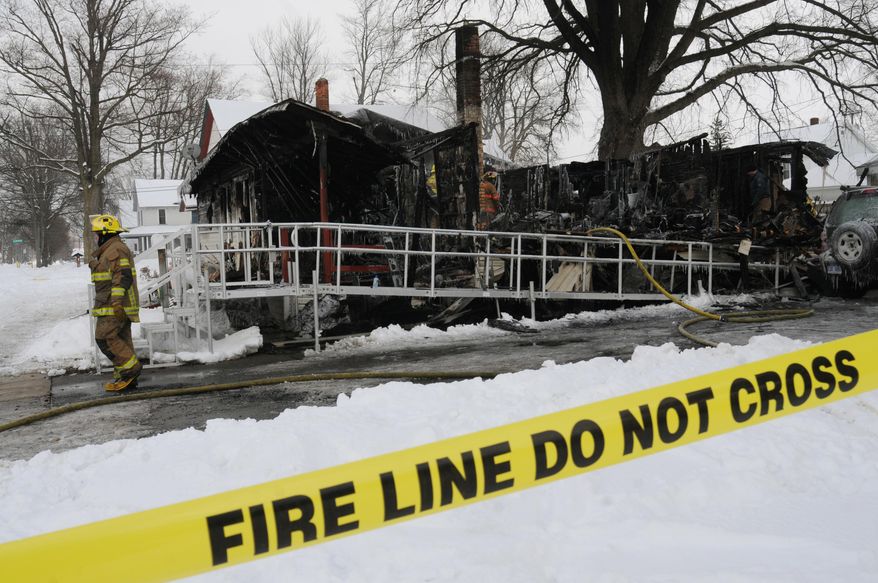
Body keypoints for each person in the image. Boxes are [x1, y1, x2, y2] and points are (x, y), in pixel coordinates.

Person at [88, 214, 142, 392]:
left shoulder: (115, 250)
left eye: (97, 234)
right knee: (122, 340)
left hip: (115, 305)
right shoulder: (111, 249)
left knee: (104, 337)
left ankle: (130, 370)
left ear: (105, 234)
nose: (96, 238)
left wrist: (117, 303)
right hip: (112, 304)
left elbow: (122, 277)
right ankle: (126, 375)